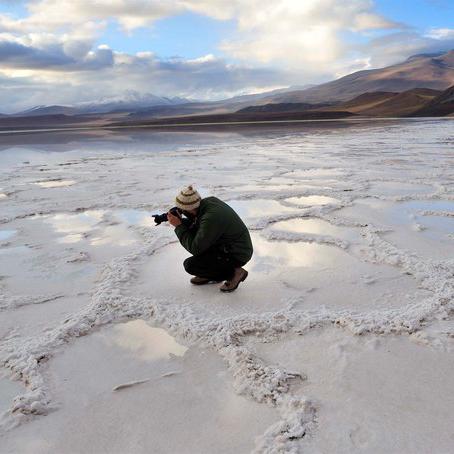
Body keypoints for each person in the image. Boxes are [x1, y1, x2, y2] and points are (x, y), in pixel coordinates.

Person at [167, 185, 253, 292]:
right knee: (197, 241)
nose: (181, 211)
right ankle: (211, 274)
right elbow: (198, 224)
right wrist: (182, 221)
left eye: (182, 209)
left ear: (190, 208)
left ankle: (235, 273)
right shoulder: (208, 203)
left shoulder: (211, 217)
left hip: (237, 253)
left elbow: (195, 248)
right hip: (226, 245)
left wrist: (179, 226)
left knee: (191, 265)